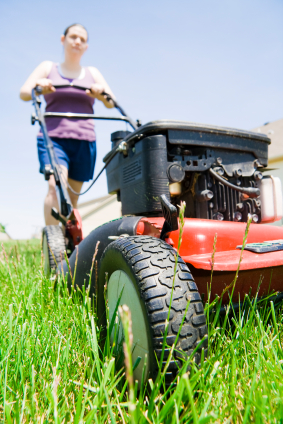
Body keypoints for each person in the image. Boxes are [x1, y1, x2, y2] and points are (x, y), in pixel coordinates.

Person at [20, 23, 115, 225]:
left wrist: (100, 93)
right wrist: (39, 86)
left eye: (82, 39)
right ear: (63, 40)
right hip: (54, 138)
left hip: (84, 140)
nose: (77, 42)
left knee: (72, 199)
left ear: (86, 47)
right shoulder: (48, 68)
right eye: (73, 37)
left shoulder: (92, 73)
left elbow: (111, 102)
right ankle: (53, 248)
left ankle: (68, 244)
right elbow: (24, 93)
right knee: (56, 188)